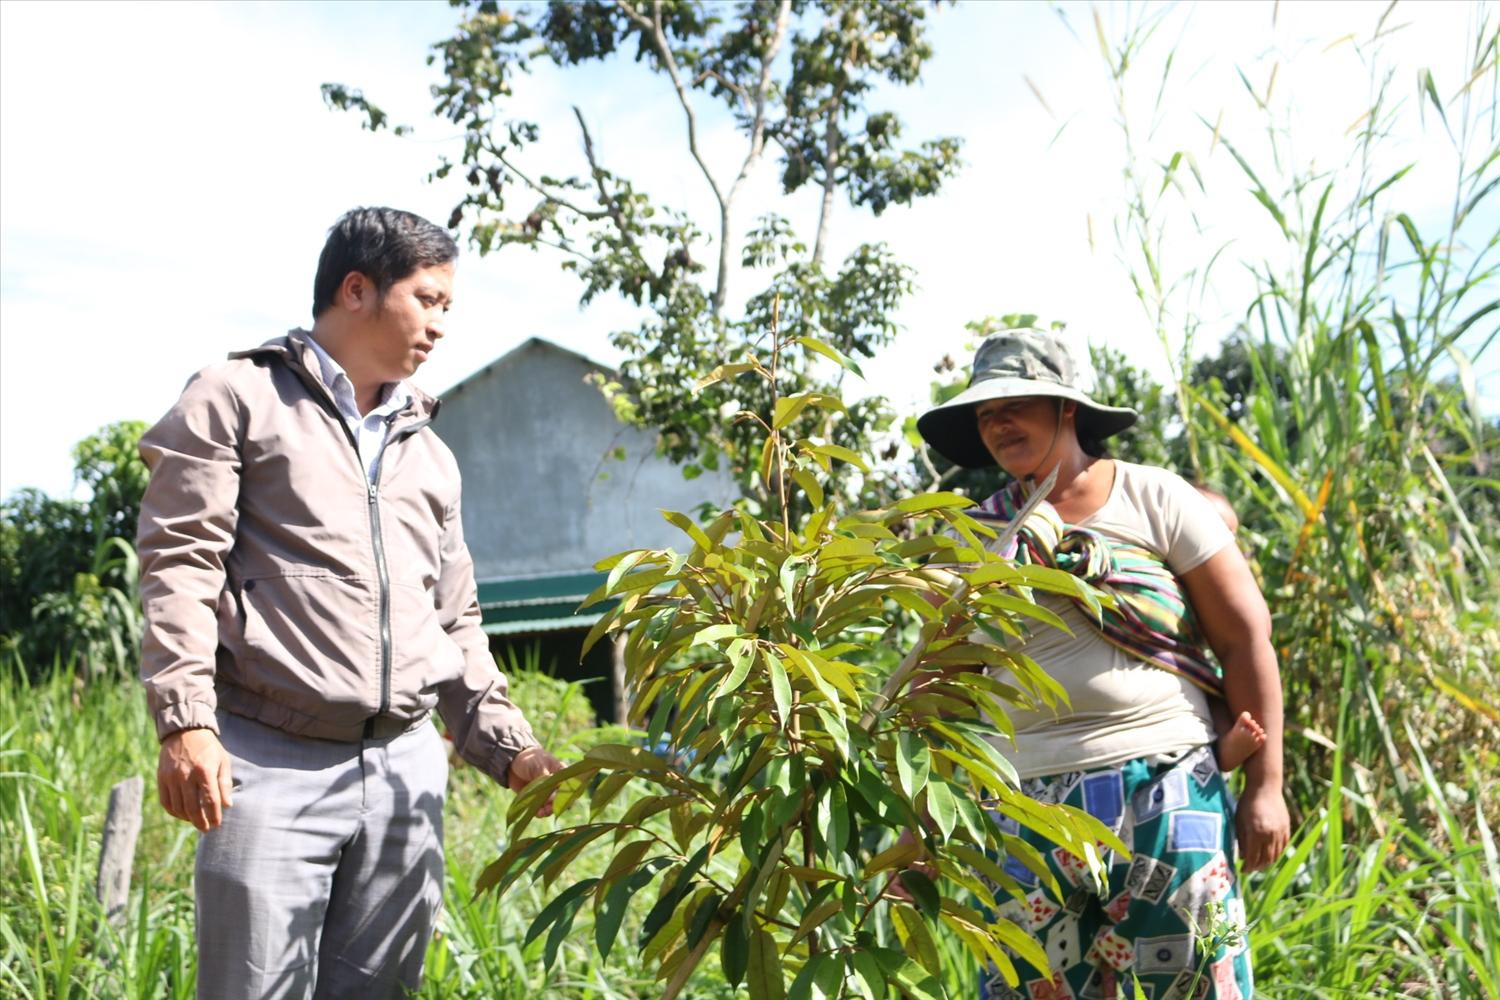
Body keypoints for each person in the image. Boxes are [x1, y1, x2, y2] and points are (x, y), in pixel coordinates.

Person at [137, 207, 565, 1000]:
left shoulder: (428, 452)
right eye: (429, 300)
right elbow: (180, 563)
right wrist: (187, 720)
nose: (441, 325)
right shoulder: (237, 398)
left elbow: (455, 621)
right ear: (358, 289)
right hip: (269, 758)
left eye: (449, 308)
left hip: (405, 769)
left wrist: (512, 751)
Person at [913, 328, 1290, 999]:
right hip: (1022, 809)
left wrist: (1265, 787)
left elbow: (1245, 638)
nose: (997, 422)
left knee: (1205, 984)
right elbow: (942, 683)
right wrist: (926, 824)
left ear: (1066, 409)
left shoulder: (1156, 498)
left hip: (1167, 787)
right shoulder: (971, 535)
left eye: (1014, 404)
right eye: (984, 412)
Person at [1192, 483, 1267, 771]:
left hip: (1214, 664)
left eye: (1231, 538)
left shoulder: (1233, 576)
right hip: (1186, 663)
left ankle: (1225, 747)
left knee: (1222, 687)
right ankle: (1222, 750)